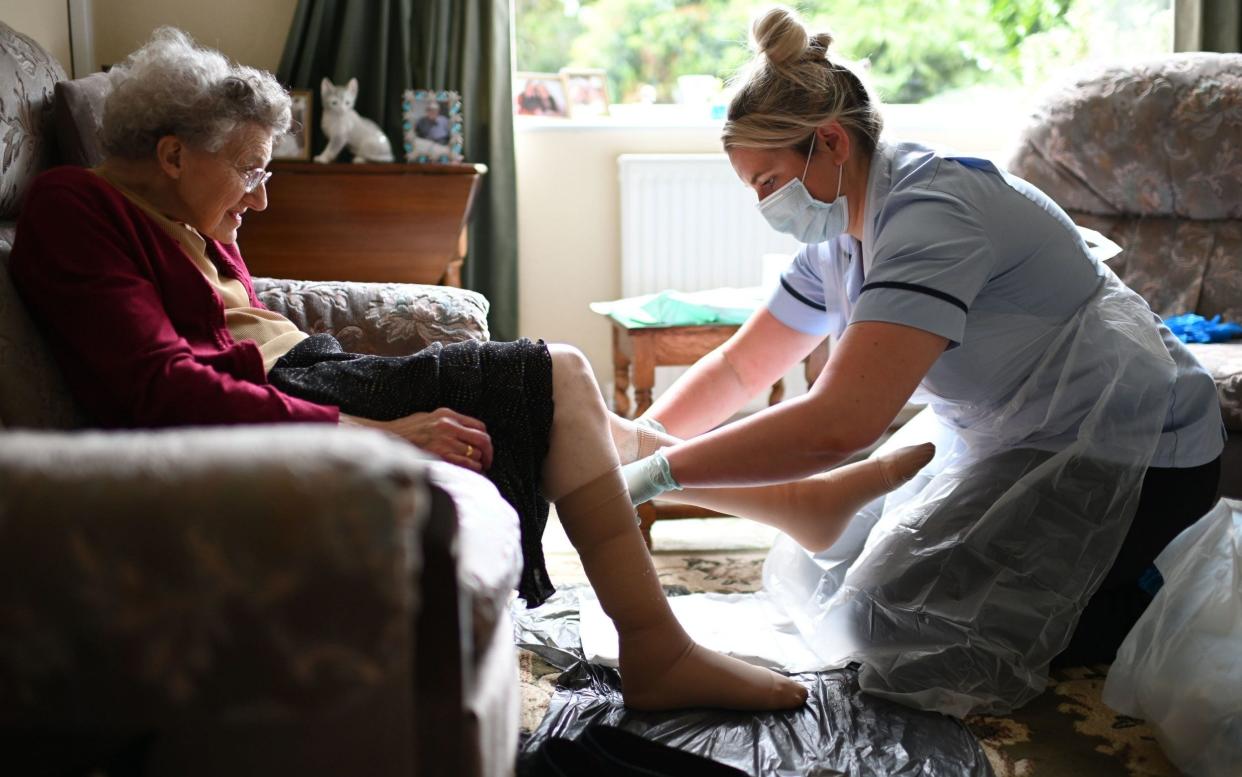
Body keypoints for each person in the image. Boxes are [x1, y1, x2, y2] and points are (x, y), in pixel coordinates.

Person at [8, 27, 936, 713]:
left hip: (310, 376)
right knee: (562, 374)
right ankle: (662, 640)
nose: (263, 193)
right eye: (250, 170)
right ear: (171, 156)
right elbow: (160, 383)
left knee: (567, 401)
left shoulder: (187, 222)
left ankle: (786, 509)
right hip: (293, 399)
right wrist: (372, 434)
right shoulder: (71, 208)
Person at [620, 6, 1225, 715]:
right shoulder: (838, 237)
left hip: (1141, 452)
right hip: (1021, 436)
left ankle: (1146, 588)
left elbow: (842, 423)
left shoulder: (931, 213)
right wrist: (641, 439)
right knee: (830, 579)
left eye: (765, 182)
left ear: (829, 142)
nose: (763, 204)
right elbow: (739, 369)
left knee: (888, 626)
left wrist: (655, 473)